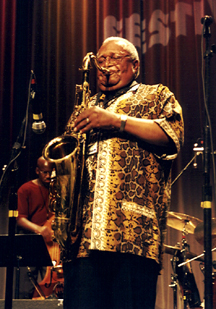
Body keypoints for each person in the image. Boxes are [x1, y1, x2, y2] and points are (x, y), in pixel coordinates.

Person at [62, 37, 184, 309]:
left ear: (135, 65)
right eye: (101, 60)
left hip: (132, 236)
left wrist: (117, 121)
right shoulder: (84, 107)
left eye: (115, 58)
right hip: (81, 239)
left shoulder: (156, 95)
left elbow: (172, 134)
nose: (106, 65)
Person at [16, 156, 54, 299]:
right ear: (37, 171)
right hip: (31, 242)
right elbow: (19, 219)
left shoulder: (57, 188)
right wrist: (40, 230)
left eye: (51, 172)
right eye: (45, 172)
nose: (49, 176)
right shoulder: (25, 189)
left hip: (51, 245)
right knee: (25, 289)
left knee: (49, 286)